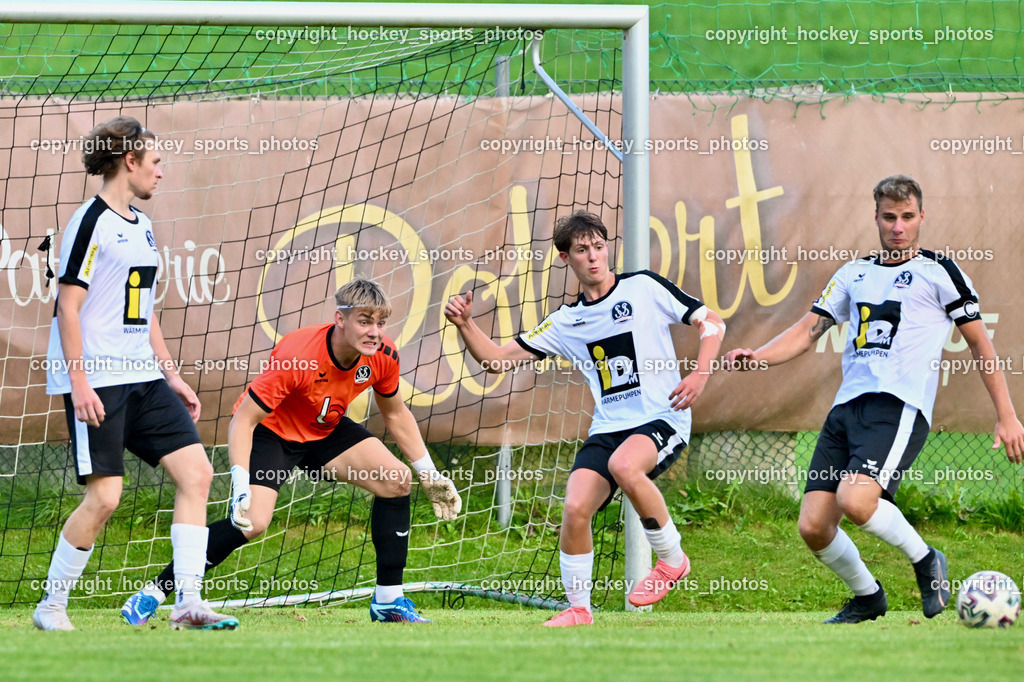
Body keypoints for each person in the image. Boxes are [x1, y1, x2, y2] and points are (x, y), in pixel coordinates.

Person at [725, 174, 1024, 623]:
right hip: (847, 410)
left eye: (907, 217)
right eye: (889, 217)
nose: (898, 227)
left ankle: (927, 561)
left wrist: (1007, 416)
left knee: (857, 500)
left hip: (897, 407)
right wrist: (758, 356)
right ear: (877, 218)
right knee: (813, 526)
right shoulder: (853, 273)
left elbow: (982, 346)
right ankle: (868, 596)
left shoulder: (939, 271)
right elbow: (809, 330)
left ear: (921, 217)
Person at [121, 279, 462, 625]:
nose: (374, 331)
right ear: (339, 319)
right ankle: (155, 591)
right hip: (272, 432)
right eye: (364, 321)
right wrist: (240, 481)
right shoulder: (298, 354)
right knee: (253, 523)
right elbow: (243, 420)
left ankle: (389, 600)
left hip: (323, 427)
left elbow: (395, 412)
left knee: (396, 480)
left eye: (380, 323)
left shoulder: (383, 355)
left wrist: (428, 472)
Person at [444, 210, 726, 626]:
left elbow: (711, 322)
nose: (593, 257)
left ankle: (671, 560)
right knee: (575, 507)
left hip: (661, 417)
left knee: (625, 466)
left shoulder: (643, 287)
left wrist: (700, 372)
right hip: (608, 427)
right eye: (582, 250)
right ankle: (579, 609)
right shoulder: (565, 322)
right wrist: (465, 324)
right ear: (565, 258)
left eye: (598, 246)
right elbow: (497, 361)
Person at [35, 116, 237, 630]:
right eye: (155, 163)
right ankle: (51, 607)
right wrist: (79, 382)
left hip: (144, 378)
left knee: (197, 474)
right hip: (98, 380)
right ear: (130, 161)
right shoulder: (89, 221)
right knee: (105, 498)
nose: (160, 174)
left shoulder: (142, 226)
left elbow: (143, 312)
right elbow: (68, 307)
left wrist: (170, 374)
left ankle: (188, 603)